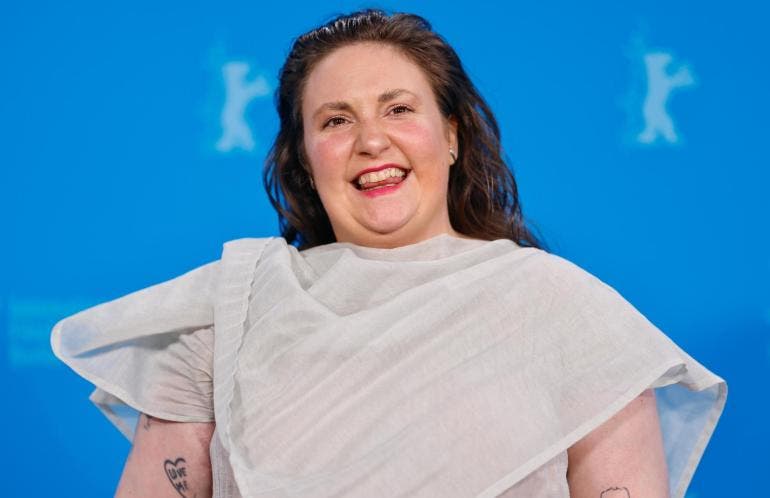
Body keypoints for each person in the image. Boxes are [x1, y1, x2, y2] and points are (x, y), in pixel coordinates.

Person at [51, 9, 726, 498]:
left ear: (451, 135)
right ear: (304, 159)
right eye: (336, 120)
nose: (371, 140)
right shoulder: (227, 309)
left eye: (398, 109)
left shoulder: (573, 316)